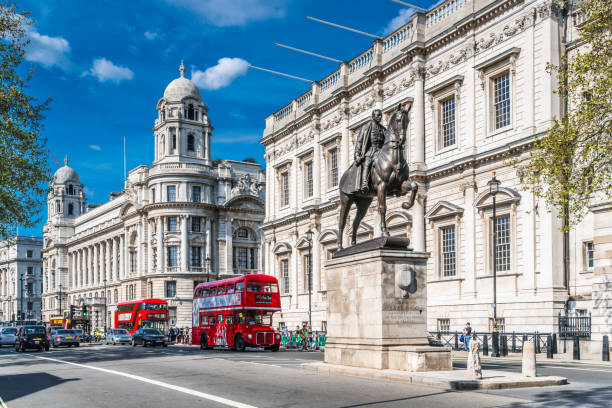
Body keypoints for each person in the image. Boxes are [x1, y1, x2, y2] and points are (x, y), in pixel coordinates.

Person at [353, 109, 387, 194]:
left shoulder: (383, 129)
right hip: (371, 150)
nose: (379, 117)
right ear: (373, 116)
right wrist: (357, 154)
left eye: (380, 115)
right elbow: (359, 142)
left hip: (381, 151)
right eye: (377, 115)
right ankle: (364, 183)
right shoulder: (367, 126)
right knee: (367, 163)